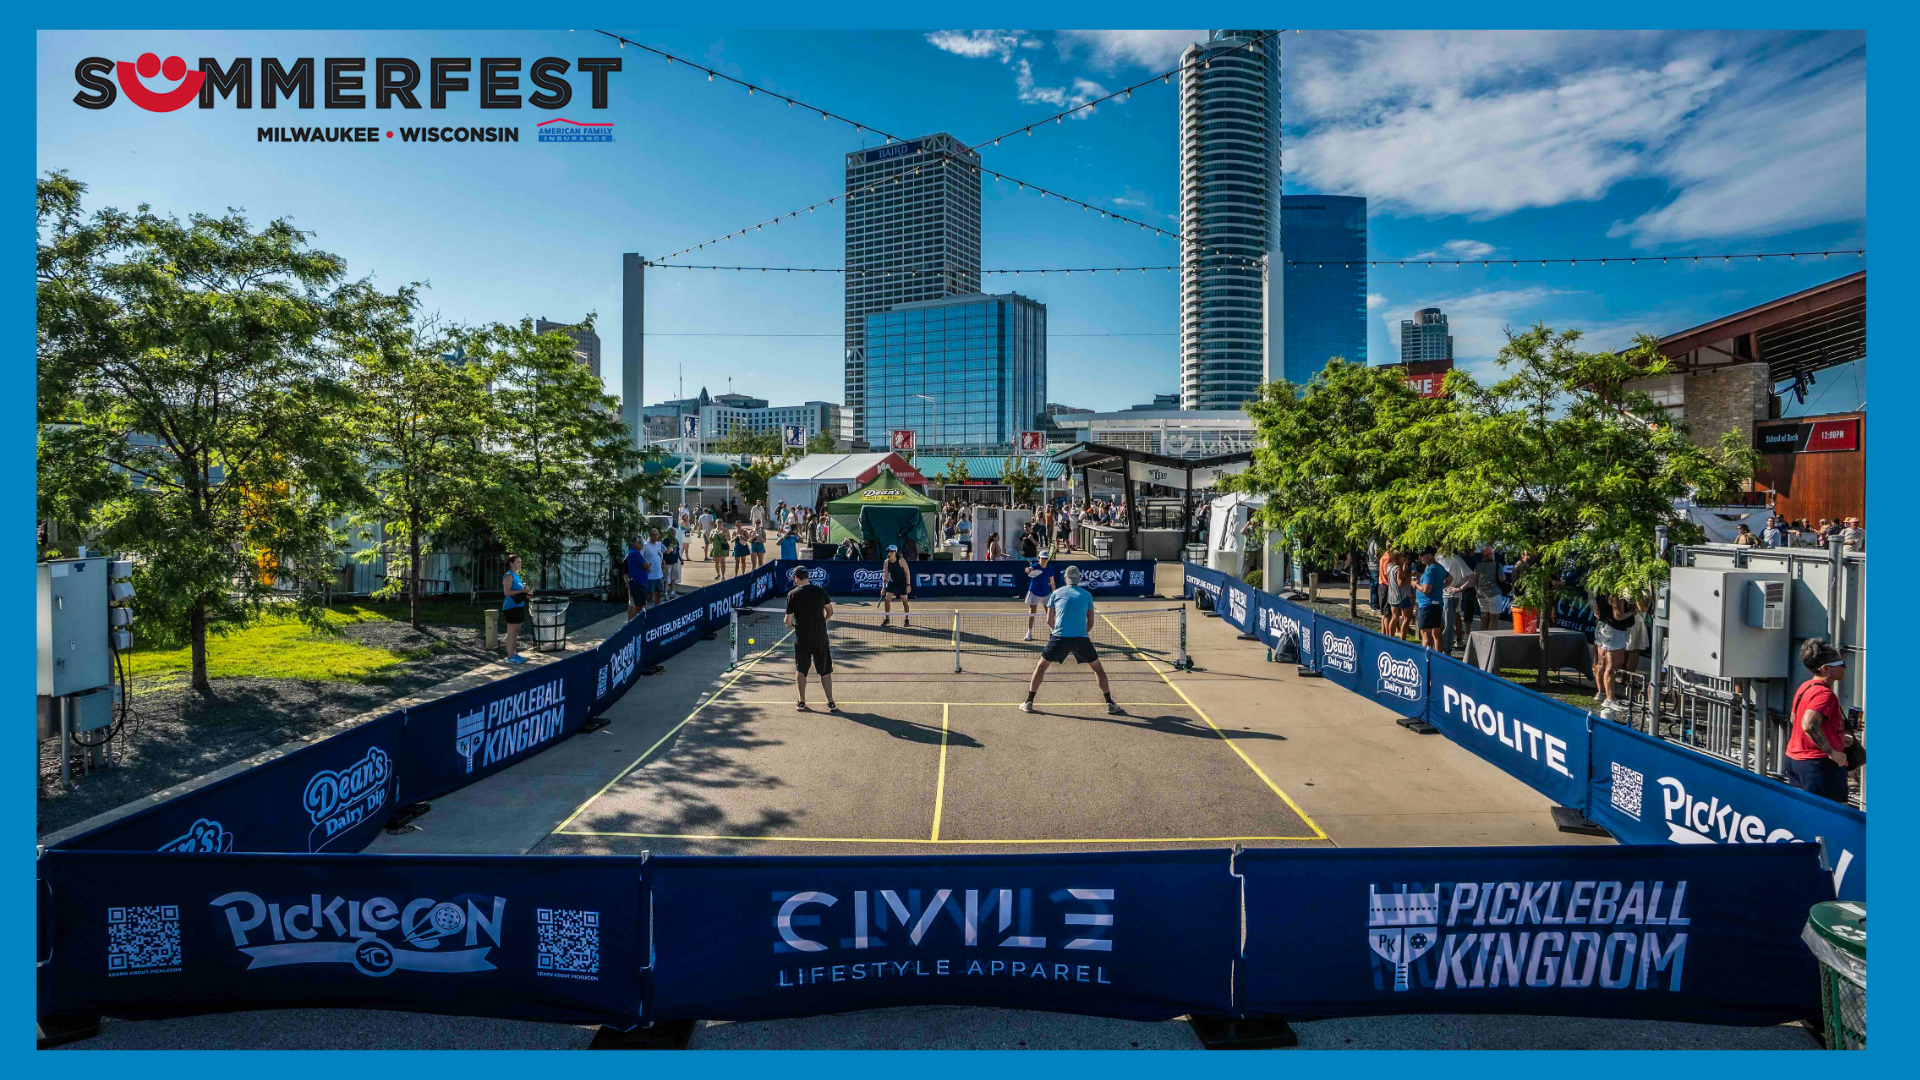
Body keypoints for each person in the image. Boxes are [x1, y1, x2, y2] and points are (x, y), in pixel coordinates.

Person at [1021, 565, 1122, 716]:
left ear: (1065, 578)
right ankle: (1110, 703)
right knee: (1098, 669)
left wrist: (1058, 631)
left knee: (1041, 667)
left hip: (1059, 637)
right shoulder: (1087, 595)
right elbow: (1091, 622)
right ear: (1078, 578)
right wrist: (1082, 632)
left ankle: (1029, 702)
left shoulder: (1056, 593)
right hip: (1081, 639)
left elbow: (1049, 620)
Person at [1785, 639, 1854, 803]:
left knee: (1805, 810)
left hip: (1795, 760)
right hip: (1818, 765)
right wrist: (1832, 752)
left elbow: (1794, 719)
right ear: (1826, 669)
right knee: (1834, 813)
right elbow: (1808, 724)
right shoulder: (1825, 694)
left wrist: (1835, 736)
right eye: (1841, 664)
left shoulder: (1805, 687)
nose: (1845, 667)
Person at [783, 565, 839, 713]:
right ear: (807, 577)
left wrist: (789, 624)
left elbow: (788, 620)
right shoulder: (820, 591)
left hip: (803, 638)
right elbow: (830, 611)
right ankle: (830, 702)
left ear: (797, 578)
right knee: (825, 671)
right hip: (820, 637)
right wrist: (823, 621)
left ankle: (801, 702)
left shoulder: (792, 594)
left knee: (801, 670)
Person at [1591, 594, 1634, 710]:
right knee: (1611, 667)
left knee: (1602, 663)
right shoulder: (1617, 592)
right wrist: (1632, 612)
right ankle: (1610, 699)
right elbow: (1618, 615)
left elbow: (1595, 609)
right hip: (1614, 629)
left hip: (1602, 625)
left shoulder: (1601, 588)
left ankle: (1602, 693)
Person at [1437, 546, 1474, 655]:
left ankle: (1447, 649)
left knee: (1448, 623)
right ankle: (1440, 647)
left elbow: (1472, 577)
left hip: (1451, 596)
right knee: (1440, 623)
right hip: (1438, 595)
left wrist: (1459, 589)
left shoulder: (1456, 559)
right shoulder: (1437, 558)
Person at [1413, 550, 1449, 651]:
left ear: (1429, 555)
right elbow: (1450, 579)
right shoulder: (1440, 568)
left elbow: (1426, 590)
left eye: (1422, 555)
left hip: (1427, 605)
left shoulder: (1430, 571)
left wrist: (1416, 585)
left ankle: (1426, 658)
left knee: (1426, 634)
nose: (1420, 558)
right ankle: (1439, 657)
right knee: (1436, 633)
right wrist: (1439, 587)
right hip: (1437, 604)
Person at [1022, 550, 1060, 641]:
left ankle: (1054, 632)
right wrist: (1027, 570)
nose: (1044, 560)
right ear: (1039, 558)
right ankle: (1029, 633)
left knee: (1049, 613)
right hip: (1033, 592)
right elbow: (1029, 569)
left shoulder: (1050, 569)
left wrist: (1054, 594)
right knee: (1032, 612)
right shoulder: (1035, 566)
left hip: (1046, 593)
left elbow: (1052, 582)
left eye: (1046, 558)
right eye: (1043, 558)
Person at [501, 554, 531, 664]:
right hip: (511, 607)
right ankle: (510, 656)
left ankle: (513, 653)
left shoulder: (517, 575)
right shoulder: (509, 576)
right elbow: (507, 592)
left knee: (516, 631)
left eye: (520, 562)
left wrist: (527, 593)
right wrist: (522, 591)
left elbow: (519, 592)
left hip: (519, 606)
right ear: (511, 563)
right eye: (518, 562)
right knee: (511, 632)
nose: (520, 564)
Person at [880, 544, 912, 626]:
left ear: (895, 552)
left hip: (902, 583)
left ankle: (907, 619)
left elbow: (907, 573)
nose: (890, 552)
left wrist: (908, 585)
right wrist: (883, 588)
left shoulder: (901, 560)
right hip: (892, 582)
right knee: (887, 599)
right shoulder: (886, 562)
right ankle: (887, 619)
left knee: (904, 601)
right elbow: (885, 575)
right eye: (889, 551)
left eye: (891, 551)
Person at [623, 536, 649, 620]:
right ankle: (631, 623)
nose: (642, 544)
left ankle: (634, 622)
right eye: (640, 543)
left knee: (638, 605)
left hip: (638, 584)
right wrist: (627, 584)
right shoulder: (631, 555)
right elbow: (625, 572)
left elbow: (646, 568)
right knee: (634, 605)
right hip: (635, 584)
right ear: (634, 544)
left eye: (642, 543)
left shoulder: (637, 555)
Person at [641, 528, 667, 606]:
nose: (655, 537)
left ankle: (657, 609)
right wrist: (645, 566)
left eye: (657, 535)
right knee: (649, 595)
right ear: (650, 535)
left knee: (658, 594)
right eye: (654, 535)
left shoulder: (659, 544)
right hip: (650, 576)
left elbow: (666, 551)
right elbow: (639, 558)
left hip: (659, 575)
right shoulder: (645, 545)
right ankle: (646, 610)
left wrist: (663, 561)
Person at [661, 528, 683, 597]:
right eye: (672, 533)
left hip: (675, 562)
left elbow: (677, 551)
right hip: (668, 562)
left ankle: (672, 593)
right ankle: (665, 593)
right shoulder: (665, 541)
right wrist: (663, 561)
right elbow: (663, 552)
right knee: (666, 579)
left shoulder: (676, 541)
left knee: (674, 578)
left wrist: (680, 559)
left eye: (674, 533)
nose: (674, 534)